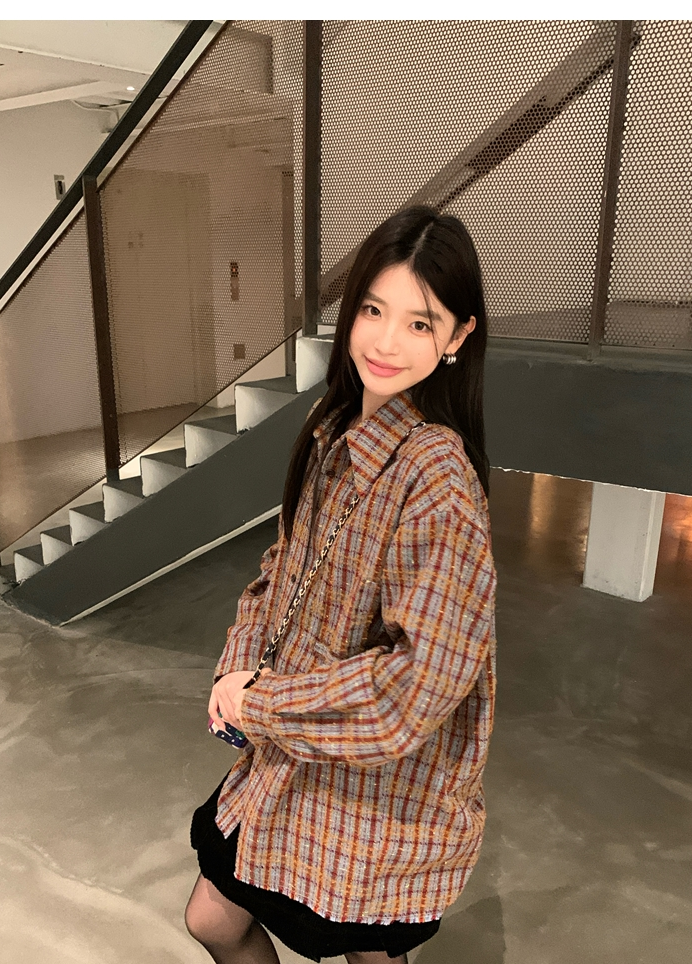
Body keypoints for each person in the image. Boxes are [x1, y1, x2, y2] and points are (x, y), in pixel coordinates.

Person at [185, 205, 497, 964]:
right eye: (372, 310)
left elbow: (415, 685)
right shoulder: (337, 432)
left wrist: (262, 704)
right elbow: (282, 567)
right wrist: (238, 665)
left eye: (420, 323)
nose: (386, 342)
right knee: (213, 919)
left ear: (458, 337)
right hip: (294, 759)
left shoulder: (437, 480)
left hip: (377, 797)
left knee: (360, 954)